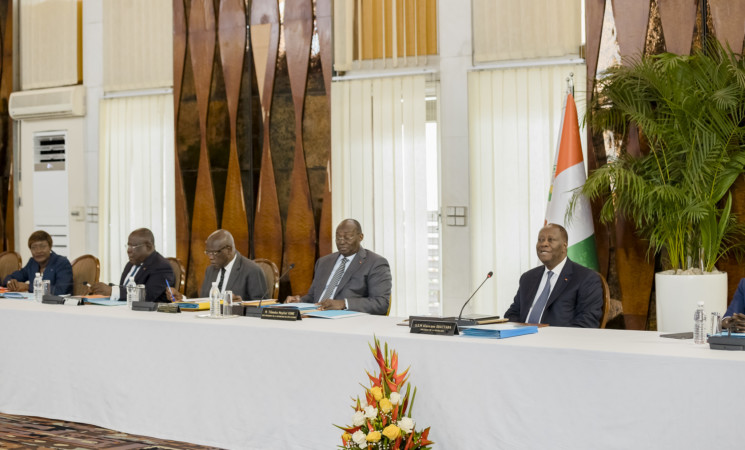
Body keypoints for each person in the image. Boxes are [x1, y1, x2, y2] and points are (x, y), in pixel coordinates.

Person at [504, 223, 603, 327]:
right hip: (521, 339)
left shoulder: (586, 278)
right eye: (540, 240)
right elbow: (512, 314)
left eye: (550, 240)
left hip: (559, 341)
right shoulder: (527, 278)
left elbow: (587, 321)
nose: (544, 244)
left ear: (564, 246)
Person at [286, 219, 392, 315]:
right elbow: (313, 297)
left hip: (348, 322)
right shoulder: (323, 262)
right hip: (314, 317)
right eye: (338, 237)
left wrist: (344, 304)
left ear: (360, 237)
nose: (341, 241)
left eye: (347, 237)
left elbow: (381, 303)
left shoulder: (375, 263)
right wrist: (300, 301)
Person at [89, 228, 174, 302]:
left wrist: (112, 291)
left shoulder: (161, 266)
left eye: (133, 246)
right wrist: (103, 289)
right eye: (128, 246)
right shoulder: (130, 264)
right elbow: (124, 288)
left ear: (148, 247)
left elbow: (147, 296)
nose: (128, 251)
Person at [195, 229, 266, 301]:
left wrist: (241, 305)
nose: (210, 257)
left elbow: (261, 307)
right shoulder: (210, 270)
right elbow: (203, 301)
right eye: (208, 252)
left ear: (229, 250)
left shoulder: (252, 270)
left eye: (215, 253)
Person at [3, 230, 73, 295]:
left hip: (59, 306)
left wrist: (28, 287)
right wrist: (11, 282)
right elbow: (10, 277)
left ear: (50, 247)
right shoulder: (32, 262)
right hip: (36, 305)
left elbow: (60, 290)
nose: (38, 251)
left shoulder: (62, 263)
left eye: (42, 246)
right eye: (34, 247)